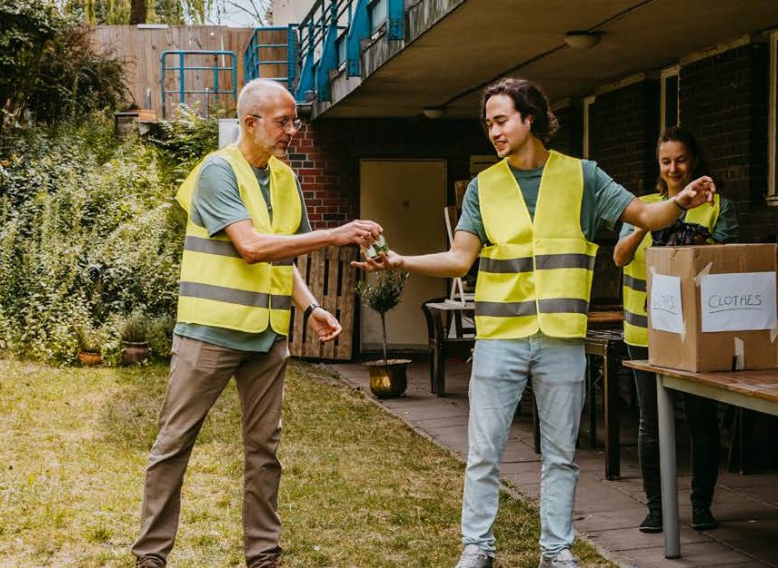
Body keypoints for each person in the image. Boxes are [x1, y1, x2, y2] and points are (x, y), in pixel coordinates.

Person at [357, 78, 716, 568]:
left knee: (561, 455)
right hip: (501, 338)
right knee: (484, 452)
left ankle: (556, 551)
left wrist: (681, 202)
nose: (494, 132)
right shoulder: (484, 187)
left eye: (501, 120)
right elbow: (461, 260)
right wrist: (400, 261)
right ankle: (477, 547)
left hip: (562, 340)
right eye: (488, 124)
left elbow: (646, 216)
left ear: (531, 118)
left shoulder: (584, 177)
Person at [131, 78, 382, 568]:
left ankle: (264, 555)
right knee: (174, 444)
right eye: (283, 121)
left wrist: (310, 308)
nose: (293, 129)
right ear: (250, 123)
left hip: (267, 338)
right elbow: (251, 247)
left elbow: (282, 259)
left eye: (295, 120)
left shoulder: (286, 179)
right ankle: (151, 556)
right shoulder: (216, 172)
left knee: (264, 451)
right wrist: (336, 233)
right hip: (209, 334)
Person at [614, 126, 737, 534]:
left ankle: (701, 506)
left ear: (694, 160)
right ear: (658, 164)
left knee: (701, 421)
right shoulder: (641, 206)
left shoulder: (717, 207)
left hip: (696, 336)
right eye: (666, 161)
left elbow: (728, 265)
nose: (673, 168)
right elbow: (619, 257)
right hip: (644, 334)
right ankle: (656, 509)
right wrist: (649, 221)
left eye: (680, 159)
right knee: (651, 423)